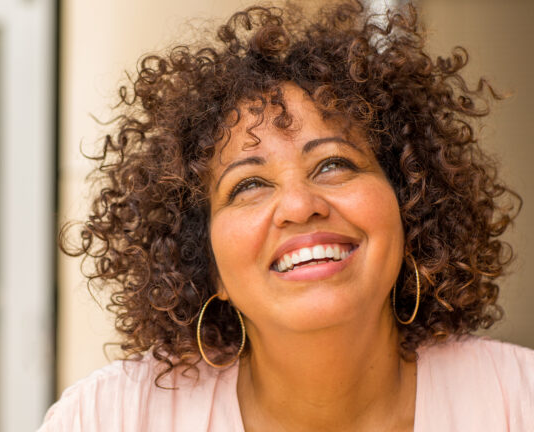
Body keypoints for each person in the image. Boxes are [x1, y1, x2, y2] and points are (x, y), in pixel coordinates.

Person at [40, 1, 534, 430]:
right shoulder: (110, 418)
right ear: (204, 263)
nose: (300, 205)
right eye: (249, 185)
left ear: (410, 204)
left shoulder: (519, 403)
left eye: (334, 164)